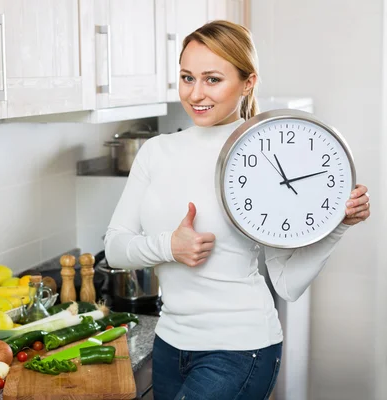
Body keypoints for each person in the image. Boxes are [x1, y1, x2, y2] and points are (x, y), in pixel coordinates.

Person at [104, 20, 370, 400]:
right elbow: (115, 247)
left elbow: (287, 284)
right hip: (169, 346)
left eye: (212, 79)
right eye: (186, 77)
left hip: (240, 349)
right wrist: (170, 247)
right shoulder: (155, 152)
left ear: (247, 83)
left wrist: (338, 225)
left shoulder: (267, 156)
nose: (196, 93)